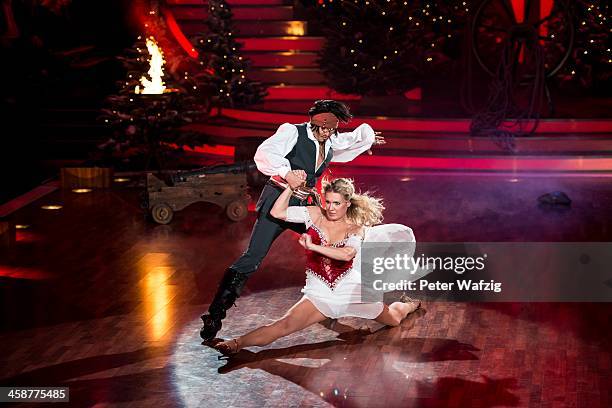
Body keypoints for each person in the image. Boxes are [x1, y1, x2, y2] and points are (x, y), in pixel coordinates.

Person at [200, 100, 385, 341]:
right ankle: (215, 314)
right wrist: (287, 173)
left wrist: (366, 141)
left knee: (332, 245)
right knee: (253, 257)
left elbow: (347, 143)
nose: (328, 134)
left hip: (305, 205)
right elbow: (265, 153)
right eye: (325, 129)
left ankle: (329, 306)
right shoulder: (292, 131)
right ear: (315, 123)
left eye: (332, 130)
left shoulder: (329, 140)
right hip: (278, 200)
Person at [212, 178, 421, 354]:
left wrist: (314, 246)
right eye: (328, 202)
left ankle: (410, 305)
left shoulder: (355, 228)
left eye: (336, 203)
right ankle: (236, 343)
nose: (330, 208)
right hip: (319, 294)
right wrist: (290, 187)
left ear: (347, 203)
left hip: (353, 293)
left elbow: (347, 253)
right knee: (282, 325)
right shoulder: (313, 214)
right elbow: (277, 213)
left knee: (393, 319)